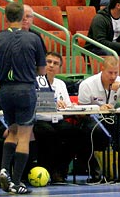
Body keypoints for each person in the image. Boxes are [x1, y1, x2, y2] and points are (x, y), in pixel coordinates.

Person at [0, 1, 46, 195]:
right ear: (22, 18)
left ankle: (3, 169)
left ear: (5, 17)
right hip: (25, 89)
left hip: (5, 91)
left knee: (12, 131)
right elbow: (42, 70)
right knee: (24, 137)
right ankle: (17, 182)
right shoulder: (34, 39)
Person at [77, 56, 120, 181]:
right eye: (110, 73)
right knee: (101, 134)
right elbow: (81, 112)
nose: (113, 76)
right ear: (102, 69)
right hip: (92, 119)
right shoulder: (88, 84)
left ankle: (119, 161)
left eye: (116, 73)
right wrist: (99, 108)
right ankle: (96, 170)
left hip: (111, 119)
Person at [33, 52, 84, 183]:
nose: (51, 65)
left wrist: (72, 107)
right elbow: (32, 103)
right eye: (48, 62)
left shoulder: (61, 84)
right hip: (39, 120)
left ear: (59, 68)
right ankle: (48, 170)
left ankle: (61, 168)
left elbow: (66, 106)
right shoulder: (34, 81)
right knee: (49, 134)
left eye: (55, 63)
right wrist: (52, 103)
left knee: (78, 134)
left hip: (58, 120)